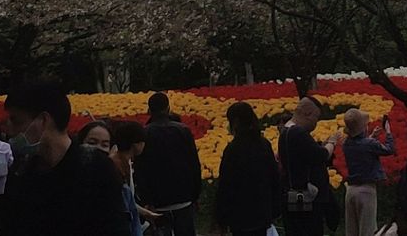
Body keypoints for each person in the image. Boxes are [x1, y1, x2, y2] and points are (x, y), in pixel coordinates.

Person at [2, 80, 131, 236]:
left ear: (43, 121)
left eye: (16, 120)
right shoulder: (21, 173)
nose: (8, 129)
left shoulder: (96, 169)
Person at [135, 93, 202, 236]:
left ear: (149, 110)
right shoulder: (183, 131)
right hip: (183, 199)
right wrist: (195, 195)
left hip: (158, 204)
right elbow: (194, 165)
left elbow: (140, 170)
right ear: (168, 108)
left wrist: (146, 200)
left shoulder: (144, 133)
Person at [215, 102, 282, 236]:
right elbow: (274, 177)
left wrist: (221, 219)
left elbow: (226, 186)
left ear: (236, 122)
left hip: (240, 216)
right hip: (262, 212)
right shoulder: (263, 144)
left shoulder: (233, 149)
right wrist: (274, 209)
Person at [277, 97, 341, 236]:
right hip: (306, 199)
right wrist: (332, 143)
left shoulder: (286, 131)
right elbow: (321, 156)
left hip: (295, 196)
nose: (316, 123)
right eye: (315, 118)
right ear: (307, 113)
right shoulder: (297, 133)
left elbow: (307, 155)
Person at [341, 109, 395, 236]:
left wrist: (372, 136)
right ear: (363, 127)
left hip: (350, 191)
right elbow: (389, 149)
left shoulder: (346, 143)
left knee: (352, 231)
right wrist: (388, 132)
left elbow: (361, 145)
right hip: (366, 191)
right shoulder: (369, 144)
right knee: (367, 230)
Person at [110, 122, 160, 235]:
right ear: (135, 144)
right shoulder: (115, 164)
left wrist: (146, 213)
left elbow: (128, 200)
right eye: (143, 142)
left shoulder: (126, 161)